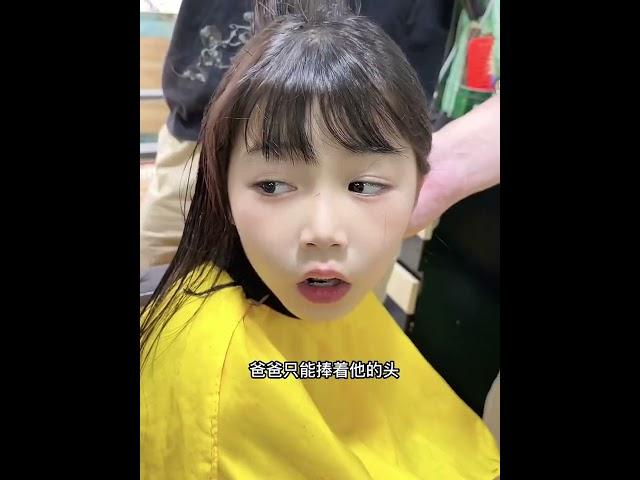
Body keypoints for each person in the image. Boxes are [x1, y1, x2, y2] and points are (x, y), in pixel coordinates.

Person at [140, 2, 500, 478]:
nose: (323, 233)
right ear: (222, 185)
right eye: (273, 186)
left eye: (363, 186)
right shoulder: (215, 383)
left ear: (420, 184)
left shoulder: (350, 345)